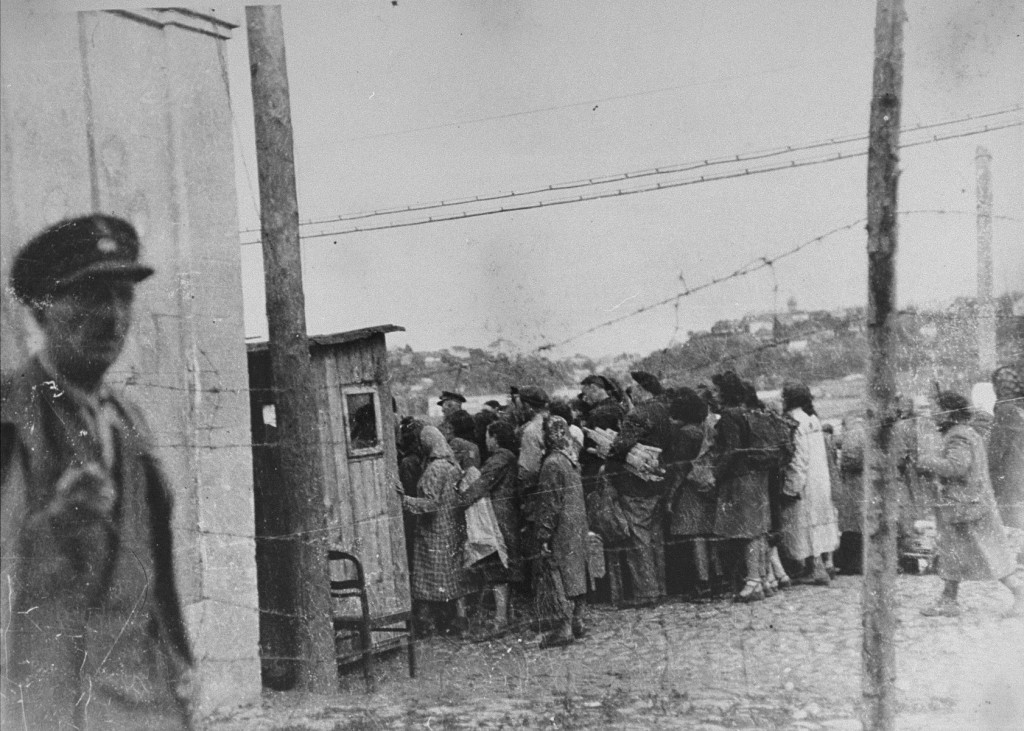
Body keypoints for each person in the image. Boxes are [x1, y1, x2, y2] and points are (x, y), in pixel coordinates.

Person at [0, 215, 197, 729]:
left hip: (142, 704)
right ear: (41, 309)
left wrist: (179, 664)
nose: (112, 317)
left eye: (122, 296)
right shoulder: (10, 416)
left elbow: (154, 567)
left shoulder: (129, 420)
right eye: (89, 296)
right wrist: (51, 528)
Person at [916, 391, 1024, 618]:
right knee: (953, 552)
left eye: (936, 408)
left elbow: (957, 467)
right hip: (967, 504)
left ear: (948, 411)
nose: (932, 413)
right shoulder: (964, 432)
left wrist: (926, 462)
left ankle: (1019, 594)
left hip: (966, 506)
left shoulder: (958, 436)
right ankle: (949, 598)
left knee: (989, 554)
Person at [604, 371, 672, 607]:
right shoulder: (664, 411)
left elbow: (620, 447)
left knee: (638, 538)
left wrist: (609, 466)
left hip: (635, 484)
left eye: (634, 387)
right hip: (658, 481)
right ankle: (660, 588)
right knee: (656, 537)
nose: (632, 391)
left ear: (643, 389)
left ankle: (646, 592)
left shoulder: (638, 414)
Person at [709, 371, 773, 602]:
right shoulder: (747, 411)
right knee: (758, 530)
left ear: (724, 392)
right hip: (756, 475)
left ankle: (753, 581)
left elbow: (732, 449)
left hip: (739, 478)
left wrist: (715, 474)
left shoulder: (728, 415)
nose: (713, 394)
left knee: (747, 532)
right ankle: (763, 579)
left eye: (716, 390)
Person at [400, 425, 470, 636]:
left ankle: (426, 623)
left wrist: (405, 500)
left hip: (434, 530)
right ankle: (460, 619)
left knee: (427, 578)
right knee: (452, 576)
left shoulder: (435, 469)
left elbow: (430, 504)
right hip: (451, 527)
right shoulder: (451, 464)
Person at [460, 420, 523, 635]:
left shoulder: (500, 459)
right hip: (506, 516)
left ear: (495, 438)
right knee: (504, 567)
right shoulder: (508, 457)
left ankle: (501, 619)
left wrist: (460, 501)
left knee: (498, 567)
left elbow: (481, 484)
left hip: (498, 518)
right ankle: (507, 614)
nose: (486, 440)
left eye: (488, 436)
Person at [533, 416, 589, 647]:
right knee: (576, 573)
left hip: (561, 529)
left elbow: (549, 504)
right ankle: (578, 620)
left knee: (558, 575)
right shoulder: (570, 459)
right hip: (576, 525)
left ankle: (563, 627)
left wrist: (543, 535)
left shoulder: (552, 464)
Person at [779, 382, 840, 586]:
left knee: (806, 523)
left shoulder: (793, 421)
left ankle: (815, 568)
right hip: (820, 479)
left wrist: (791, 486)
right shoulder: (813, 419)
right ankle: (825, 563)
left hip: (805, 481)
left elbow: (799, 458)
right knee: (820, 521)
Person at [664, 387, 720, 598]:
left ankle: (702, 582)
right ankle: (718, 577)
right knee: (709, 533)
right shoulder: (706, 429)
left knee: (696, 536)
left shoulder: (685, 433)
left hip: (690, 488)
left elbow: (680, 467)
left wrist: (670, 495)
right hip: (708, 483)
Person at [989, 365, 1024, 529]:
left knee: (1012, 524)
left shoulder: (1005, 410)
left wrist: (989, 468)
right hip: (1018, 469)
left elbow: (997, 448)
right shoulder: (1018, 408)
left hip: (1011, 472)